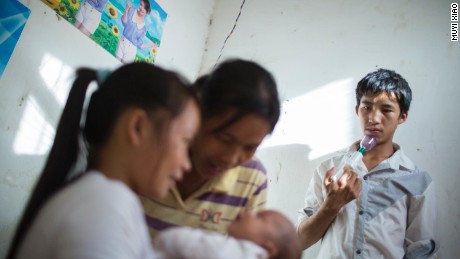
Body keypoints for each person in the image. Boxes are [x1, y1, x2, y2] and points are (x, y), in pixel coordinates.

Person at [6, 62, 201, 259]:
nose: (186, 163)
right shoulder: (103, 206)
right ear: (138, 127)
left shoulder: (106, 199)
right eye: (185, 142)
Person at [296, 68, 438, 258]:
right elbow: (300, 241)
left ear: (402, 117)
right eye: (366, 107)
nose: (373, 118)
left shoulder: (418, 180)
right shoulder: (328, 170)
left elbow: (421, 251)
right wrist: (331, 206)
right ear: (357, 110)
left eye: (386, 109)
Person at [140, 59, 281, 238]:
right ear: (197, 114)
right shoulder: (148, 154)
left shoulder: (252, 179)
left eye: (250, 147)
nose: (230, 158)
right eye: (224, 138)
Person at [153, 209, 301, 259]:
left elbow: (186, 243)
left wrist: (166, 238)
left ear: (266, 250)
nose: (249, 212)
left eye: (259, 217)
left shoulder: (241, 254)